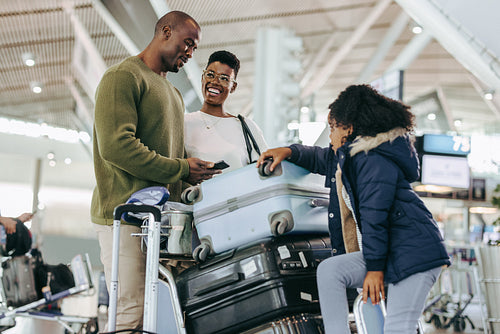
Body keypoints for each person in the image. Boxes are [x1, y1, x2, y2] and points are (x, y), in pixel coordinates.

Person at [256, 84, 451, 334]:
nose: (330, 136)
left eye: (332, 128)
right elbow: (320, 158)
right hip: (394, 250)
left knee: (398, 328)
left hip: (415, 254)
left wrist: (375, 269)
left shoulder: (372, 159)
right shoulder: (353, 157)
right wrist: (289, 151)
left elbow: (375, 216)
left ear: (347, 128)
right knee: (331, 271)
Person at [91, 11, 220, 331]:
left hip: (164, 224)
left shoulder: (173, 93)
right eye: (187, 43)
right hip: (126, 219)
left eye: (194, 48)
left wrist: (191, 170)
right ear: (165, 31)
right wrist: (179, 167)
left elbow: (170, 154)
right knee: (131, 312)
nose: (190, 54)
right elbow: (117, 147)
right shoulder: (122, 77)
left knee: (166, 316)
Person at [184, 50, 267, 172]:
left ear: (233, 87)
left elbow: (264, 167)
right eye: (210, 75)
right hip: (198, 191)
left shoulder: (246, 127)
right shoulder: (184, 123)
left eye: (224, 78)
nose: (214, 82)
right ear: (202, 78)